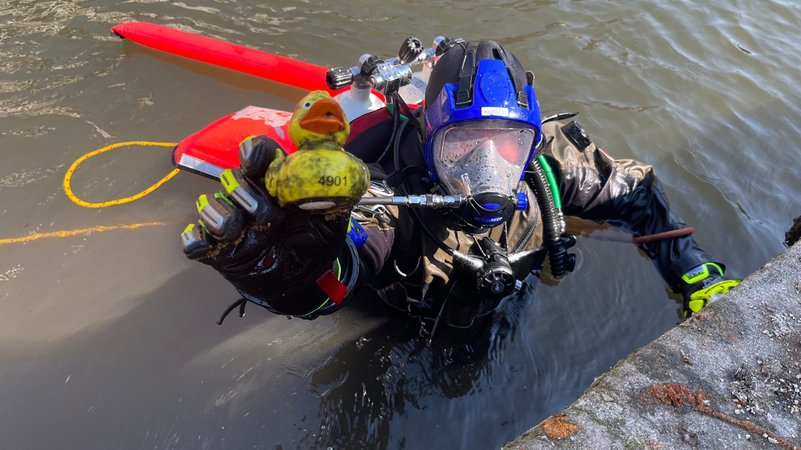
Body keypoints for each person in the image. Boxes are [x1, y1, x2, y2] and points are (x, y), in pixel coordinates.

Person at [181, 39, 739, 336]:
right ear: (428, 136)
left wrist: (692, 273)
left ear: (531, 138)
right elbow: (349, 257)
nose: (487, 167)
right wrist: (289, 279)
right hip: (404, 321)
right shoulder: (390, 189)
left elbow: (636, 194)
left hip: (500, 303)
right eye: (462, 146)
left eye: (508, 145)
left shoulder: (552, 160)